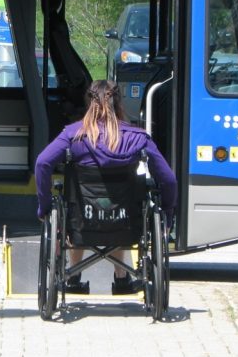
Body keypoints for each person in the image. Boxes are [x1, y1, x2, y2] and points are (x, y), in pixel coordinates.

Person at [35, 79, 177, 294]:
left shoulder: (73, 135)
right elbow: (169, 180)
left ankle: (73, 276)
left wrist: (44, 207)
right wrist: (168, 213)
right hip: (126, 222)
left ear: (89, 102)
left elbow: (42, 163)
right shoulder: (137, 137)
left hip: (82, 221)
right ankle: (121, 278)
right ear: (118, 103)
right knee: (119, 207)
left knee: (73, 210)